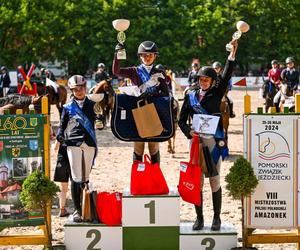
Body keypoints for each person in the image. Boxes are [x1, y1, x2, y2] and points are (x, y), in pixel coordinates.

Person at [178, 40, 238, 231]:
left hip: (213, 142)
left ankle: (217, 218)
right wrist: (189, 132)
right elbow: (181, 120)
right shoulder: (190, 95)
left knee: (214, 180)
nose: (203, 82)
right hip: (195, 142)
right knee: (197, 181)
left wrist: (232, 53)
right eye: (201, 79)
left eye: (207, 79)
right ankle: (199, 218)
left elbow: (227, 72)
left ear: (212, 81)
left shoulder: (217, 92)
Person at [113, 40, 169, 164]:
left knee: (153, 147)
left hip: (154, 112)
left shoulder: (159, 72)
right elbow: (116, 72)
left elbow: (166, 93)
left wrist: (153, 94)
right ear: (140, 57)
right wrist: (117, 55)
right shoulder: (134, 71)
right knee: (138, 147)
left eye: (150, 55)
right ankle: (138, 178)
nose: (147, 57)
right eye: (144, 55)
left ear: (155, 56)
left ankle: (155, 177)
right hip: (137, 112)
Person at [56, 75, 101, 222]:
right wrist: (59, 139)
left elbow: (101, 118)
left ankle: (87, 208)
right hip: (73, 143)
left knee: (86, 177)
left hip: (89, 143)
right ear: (72, 90)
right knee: (76, 177)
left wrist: (101, 119)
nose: (79, 91)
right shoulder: (67, 107)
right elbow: (62, 127)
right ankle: (77, 211)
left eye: (81, 88)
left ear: (85, 87)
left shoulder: (93, 103)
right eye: (75, 89)